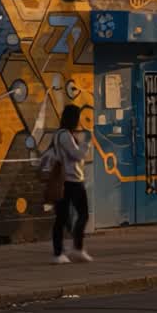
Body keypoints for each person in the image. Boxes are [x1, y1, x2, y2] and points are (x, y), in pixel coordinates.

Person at [50, 104, 92, 264]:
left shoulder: (58, 134)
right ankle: (74, 248)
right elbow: (77, 155)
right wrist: (86, 142)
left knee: (62, 217)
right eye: (77, 118)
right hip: (72, 180)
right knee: (82, 214)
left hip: (65, 181)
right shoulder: (65, 135)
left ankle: (62, 251)